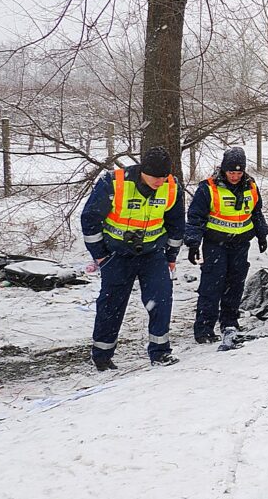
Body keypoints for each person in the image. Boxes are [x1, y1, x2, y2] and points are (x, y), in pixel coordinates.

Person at [81, 146, 186, 369]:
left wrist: (171, 255)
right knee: (111, 304)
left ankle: (160, 353)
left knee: (161, 301)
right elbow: (90, 219)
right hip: (117, 256)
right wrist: (100, 256)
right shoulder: (114, 182)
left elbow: (176, 224)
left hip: (153, 254)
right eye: (155, 176)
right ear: (143, 170)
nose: (160, 181)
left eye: (164, 176)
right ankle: (102, 356)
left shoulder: (171, 187)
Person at [184, 147, 268, 348]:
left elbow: (256, 212)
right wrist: (193, 243)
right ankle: (204, 328)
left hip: (240, 244)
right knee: (212, 285)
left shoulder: (251, 186)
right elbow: (195, 217)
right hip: (216, 244)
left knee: (236, 284)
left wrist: (262, 234)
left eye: (239, 173)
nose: (235, 176)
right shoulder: (208, 188)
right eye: (231, 172)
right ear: (224, 169)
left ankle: (230, 322)